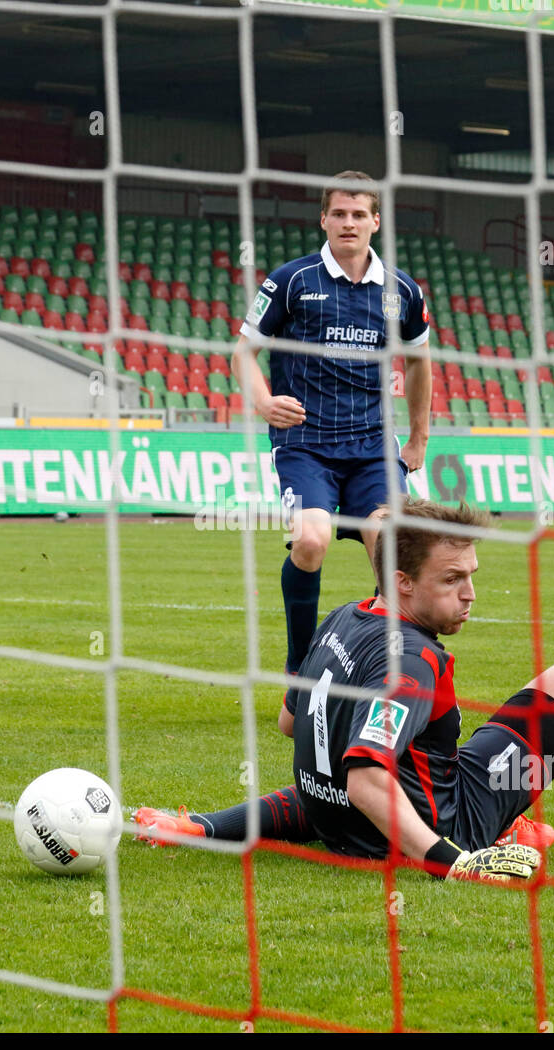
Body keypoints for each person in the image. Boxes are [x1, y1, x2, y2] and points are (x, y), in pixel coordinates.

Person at [133, 499, 554, 882]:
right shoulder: (414, 662)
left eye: (471, 575)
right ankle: (495, 829)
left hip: (333, 817)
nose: (470, 594)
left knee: (404, 749)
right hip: (429, 830)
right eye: (453, 579)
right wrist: (453, 861)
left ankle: (200, 826)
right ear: (403, 582)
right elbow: (365, 781)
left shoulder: (340, 617)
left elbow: (289, 723)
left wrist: (203, 824)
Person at [232, 170, 432, 680]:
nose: (349, 223)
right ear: (324, 219)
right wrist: (263, 401)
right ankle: (300, 667)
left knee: (393, 553)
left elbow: (419, 363)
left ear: (376, 221)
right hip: (305, 443)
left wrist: (418, 438)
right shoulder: (291, 280)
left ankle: (394, 670)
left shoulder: (401, 289)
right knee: (312, 541)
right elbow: (244, 351)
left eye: (359, 214)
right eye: (339, 214)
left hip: (371, 446)